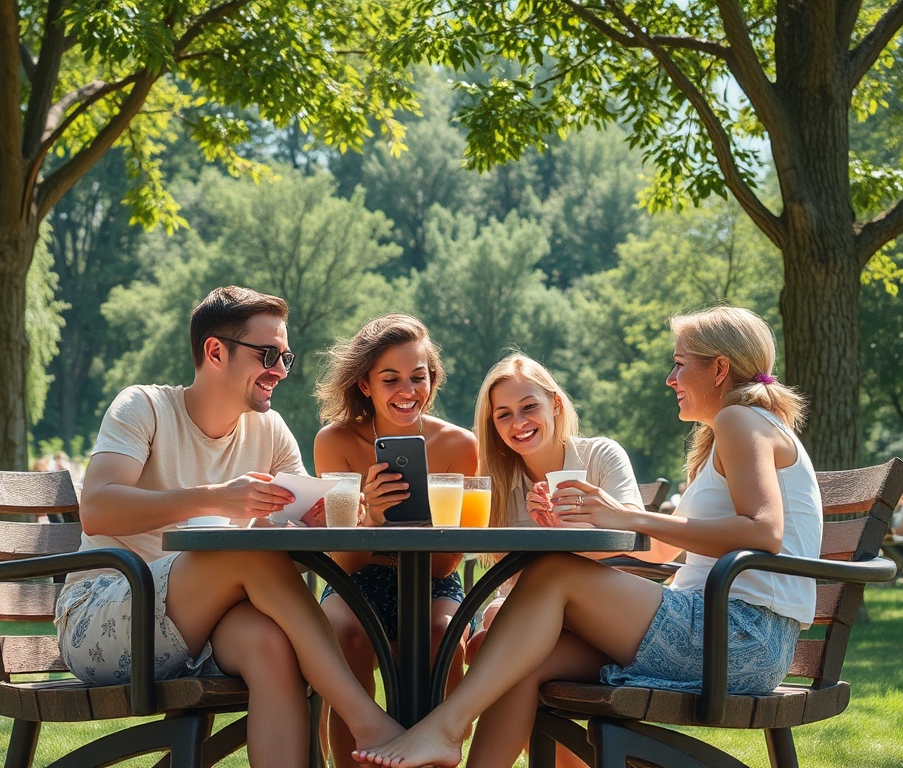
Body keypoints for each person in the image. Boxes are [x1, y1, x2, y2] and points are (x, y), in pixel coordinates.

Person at [352, 305, 823, 768]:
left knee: (553, 571)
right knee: (521, 664)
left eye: (679, 364)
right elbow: (663, 550)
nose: (670, 378)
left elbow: (764, 532)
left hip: (739, 640)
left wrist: (627, 517)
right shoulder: (738, 428)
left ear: (719, 369)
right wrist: (608, 526)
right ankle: (452, 738)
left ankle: (445, 728)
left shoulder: (740, 420)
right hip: (717, 630)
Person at [54, 286, 402, 767]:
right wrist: (219, 497)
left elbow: (324, 552)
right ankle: (367, 720)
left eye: (285, 357)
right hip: (106, 617)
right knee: (243, 550)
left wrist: (345, 521)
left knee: (273, 646)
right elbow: (97, 508)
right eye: (268, 354)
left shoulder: (271, 430)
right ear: (215, 351)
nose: (280, 370)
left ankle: (362, 723)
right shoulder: (144, 407)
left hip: (209, 627)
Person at [461, 354, 644, 767]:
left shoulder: (599, 456)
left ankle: (449, 731)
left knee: (498, 651)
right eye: (503, 414)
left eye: (529, 407)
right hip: (539, 626)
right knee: (491, 643)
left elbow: (635, 539)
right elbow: (513, 578)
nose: (518, 423)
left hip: (614, 626)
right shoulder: (499, 484)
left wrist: (563, 532)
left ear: (555, 404)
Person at [313, 313, 477, 768]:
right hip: (357, 579)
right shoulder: (336, 442)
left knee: (443, 636)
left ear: (432, 379)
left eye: (418, 377)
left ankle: (430, 756)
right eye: (391, 379)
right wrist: (372, 519)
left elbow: (445, 566)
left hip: (430, 579)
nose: (408, 391)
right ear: (365, 385)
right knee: (345, 636)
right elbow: (341, 564)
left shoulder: (460, 446)